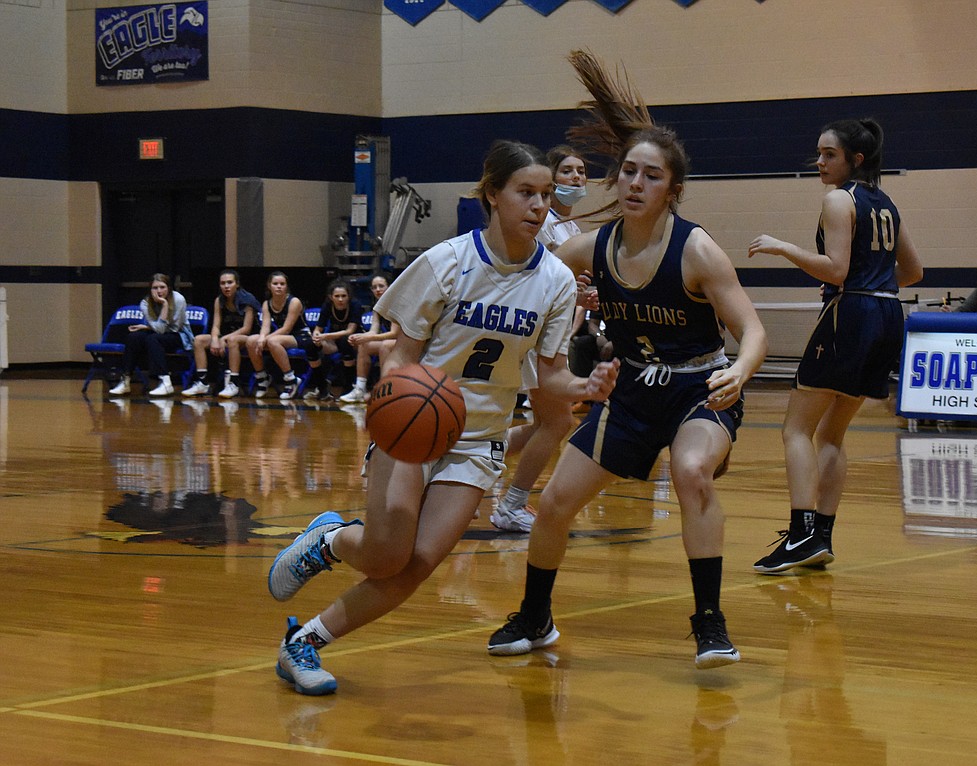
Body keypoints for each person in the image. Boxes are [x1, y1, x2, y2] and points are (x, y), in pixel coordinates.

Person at [265, 139, 618, 696]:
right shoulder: (446, 262)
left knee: (416, 565)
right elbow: (402, 356)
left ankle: (303, 643)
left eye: (546, 195)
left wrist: (585, 385)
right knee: (385, 554)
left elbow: (547, 377)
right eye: (525, 192)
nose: (538, 205)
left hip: (478, 442)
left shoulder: (553, 280)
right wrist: (392, 415)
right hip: (414, 426)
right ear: (493, 195)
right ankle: (331, 541)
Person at [486, 50, 767, 669]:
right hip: (633, 393)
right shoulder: (591, 247)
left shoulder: (698, 252)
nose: (635, 183)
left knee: (692, 473)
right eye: (629, 172)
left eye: (651, 175)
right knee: (556, 502)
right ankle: (535, 617)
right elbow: (532, 282)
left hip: (700, 389)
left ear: (673, 189)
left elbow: (752, 328)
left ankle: (710, 623)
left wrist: (741, 370)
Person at [747, 118, 923, 574]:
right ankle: (821, 536)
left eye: (829, 154)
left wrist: (783, 248)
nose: (820, 162)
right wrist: (876, 284)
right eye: (819, 153)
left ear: (855, 160)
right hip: (888, 314)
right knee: (831, 434)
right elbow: (913, 273)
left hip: (854, 314)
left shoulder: (838, 200)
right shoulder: (886, 202)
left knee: (795, 430)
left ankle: (801, 534)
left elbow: (836, 270)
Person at [490, 145, 591, 533]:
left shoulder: (572, 228)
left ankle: (470, 453)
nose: (576, 178)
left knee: (549, 422)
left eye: (581, 171)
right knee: (556, 421)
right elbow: (535, 278)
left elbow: (559, 284)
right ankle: (511, 503)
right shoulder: (540, 223)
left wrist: (580, 299)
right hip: (530, 331)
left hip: (550, 330)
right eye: (567, 171)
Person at [109, 273, 195, 397]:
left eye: (162, 287)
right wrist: (149, 327)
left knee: (153, 338)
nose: (159, 291)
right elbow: (159, 329)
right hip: (159, 333)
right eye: (155, 288)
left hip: (179, 336)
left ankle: (165, 382)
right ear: (150, 289)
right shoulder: (145, 303)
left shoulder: (178, 299)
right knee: (134, 337)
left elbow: (172, 328)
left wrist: (164, 305)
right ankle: (125, 380)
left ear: (169, 288)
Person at [181, 269, 261, 396]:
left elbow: (246, 329)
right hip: (227, 336)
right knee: (199, 340)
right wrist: (214, 340)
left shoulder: (247, 300)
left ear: (237, 284)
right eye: (223, 283)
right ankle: (202, 383)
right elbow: (216, 325)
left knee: (232, 340)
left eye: (230, 282)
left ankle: (233, 383)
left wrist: (223, 339)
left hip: (249, 338)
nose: (226, 286)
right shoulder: (219, 300)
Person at [245, 271, 314, 401]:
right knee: (251, 340)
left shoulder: (294, 302)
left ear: (286, 286)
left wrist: (266, 338)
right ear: (269, 286)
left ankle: (291, 380)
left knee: (272, 341)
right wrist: (261, 337)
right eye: (275, 283)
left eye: (282, 284)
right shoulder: (267, 303)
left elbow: (287, 328)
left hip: (301, 336)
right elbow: (265, 326)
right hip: (280, 336)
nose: (279, 286)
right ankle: (262, 377)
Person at [339, 273, 396, 403]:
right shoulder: (378, 306)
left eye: (381, 286)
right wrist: (359, 336)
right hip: (391, 340)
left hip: (407, 340)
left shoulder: (396, 303)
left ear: (390, 287)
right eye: (374, 287)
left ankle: (384, 388)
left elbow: (395, 333)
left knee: (384, 345)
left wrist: (369, 338)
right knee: (364, 345)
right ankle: (360, 388)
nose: (378, 289)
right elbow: (373, 331)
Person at [302, 279, 360, 401]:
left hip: (354, 340)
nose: (340, 299)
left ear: (349, 297)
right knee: (310, 345)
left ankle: (348, 386)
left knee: (346, 341)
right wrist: (316, 336)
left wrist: (326, 336)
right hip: (334, 341)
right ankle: (321, 386)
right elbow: (319, 328)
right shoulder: (327, 305)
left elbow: (350, 331)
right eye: (337, 296)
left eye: (343, 296)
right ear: (331, 297)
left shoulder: (355, 305)